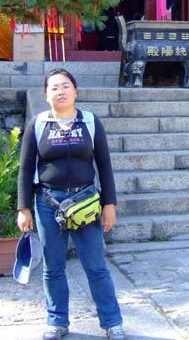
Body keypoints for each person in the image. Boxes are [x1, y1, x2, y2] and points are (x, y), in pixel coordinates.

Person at [17, 68, 126, 340]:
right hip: (48, 204)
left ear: (75, 91)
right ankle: (57, 321)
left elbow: (104, 164)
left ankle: (112, 322)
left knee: (96, 265)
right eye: (54, 87)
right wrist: (24, 208)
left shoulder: (89, 122)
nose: (60, 91)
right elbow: (25, 168)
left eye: (65, 86)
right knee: (53, 267)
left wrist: (109, 204)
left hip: (85, 203)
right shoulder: (38, 124)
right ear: (46, 94)